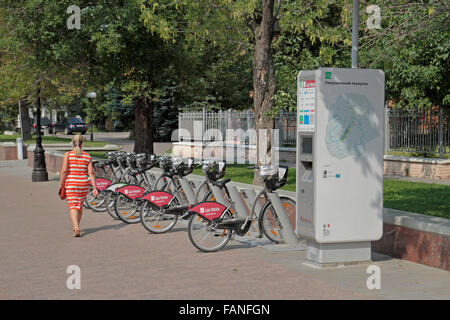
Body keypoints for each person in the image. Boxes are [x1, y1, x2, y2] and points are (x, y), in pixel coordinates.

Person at [59, 135, 98, 237]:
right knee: (79, 206)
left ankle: (76, 227)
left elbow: (64, 171)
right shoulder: (87, 156)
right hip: (83, 184)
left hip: (71, 183)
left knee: (73, 206)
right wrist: (94, 187)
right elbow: (91, 173)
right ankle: (76, 225)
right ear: (82, 143)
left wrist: (61, 184)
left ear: (73, 143)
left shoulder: (68, 155)